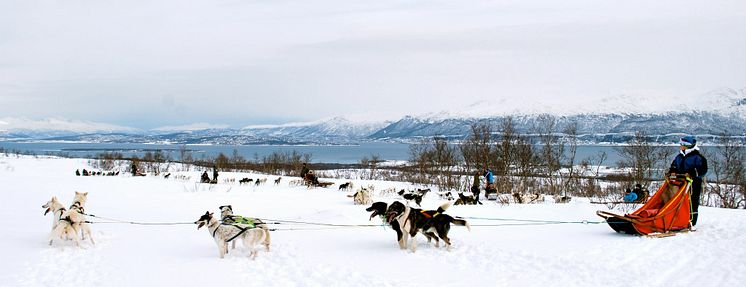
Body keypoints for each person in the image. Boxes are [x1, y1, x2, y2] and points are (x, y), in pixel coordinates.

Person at [668, 135, 708, 227]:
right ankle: (678, 219)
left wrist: (691, 173)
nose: (680, 145)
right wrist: (672, 172)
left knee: (692, 201)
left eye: (682, 144)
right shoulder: (679, 156)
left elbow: (702, 170)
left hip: (693, 183)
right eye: (680, 144)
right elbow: (674, 166)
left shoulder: (698, 157)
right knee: (678, 200)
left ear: (688, 145)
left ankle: (691, 221)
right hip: (680, 182)